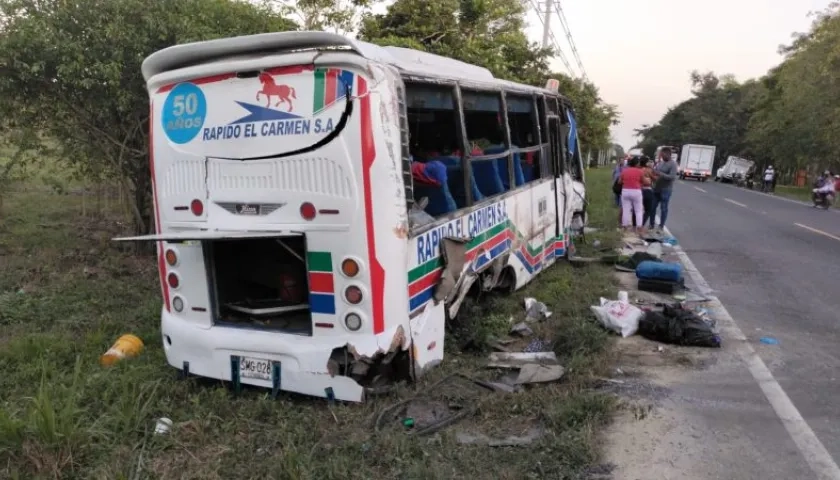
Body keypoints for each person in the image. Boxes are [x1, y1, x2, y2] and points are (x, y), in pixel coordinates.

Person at [650, 148, 677, 231]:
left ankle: (661, 226)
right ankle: (651, 224)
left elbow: (672, 177)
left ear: (668, 154)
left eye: (663, 155)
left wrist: (660, 174)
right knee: (652, 207)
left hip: (666, 189)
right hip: (656, 187)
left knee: (664, 208)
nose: (661, 156)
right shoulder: (661, 163)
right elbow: (656, 173)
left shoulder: (673, 164)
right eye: (661, 155)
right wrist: (653, 171)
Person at [618, 156, 645, 233]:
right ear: (637, 163)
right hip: (636, 191)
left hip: (625, 191)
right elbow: (644, 181)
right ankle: (639, 227)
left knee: (626, 210)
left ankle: (625, 227)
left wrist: (626, 182)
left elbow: (619, 182)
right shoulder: (640, 171)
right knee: (638, 210)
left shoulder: (624, 171)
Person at [640, 156, 658, 228]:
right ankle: (641, 225)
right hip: (647, 190)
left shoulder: (638, 169)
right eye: (649, 161)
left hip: (639, 190)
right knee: (648, 210)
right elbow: (655, 179)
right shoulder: (648, 170)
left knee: (639, 209)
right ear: (646, 162)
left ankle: (636, 224)